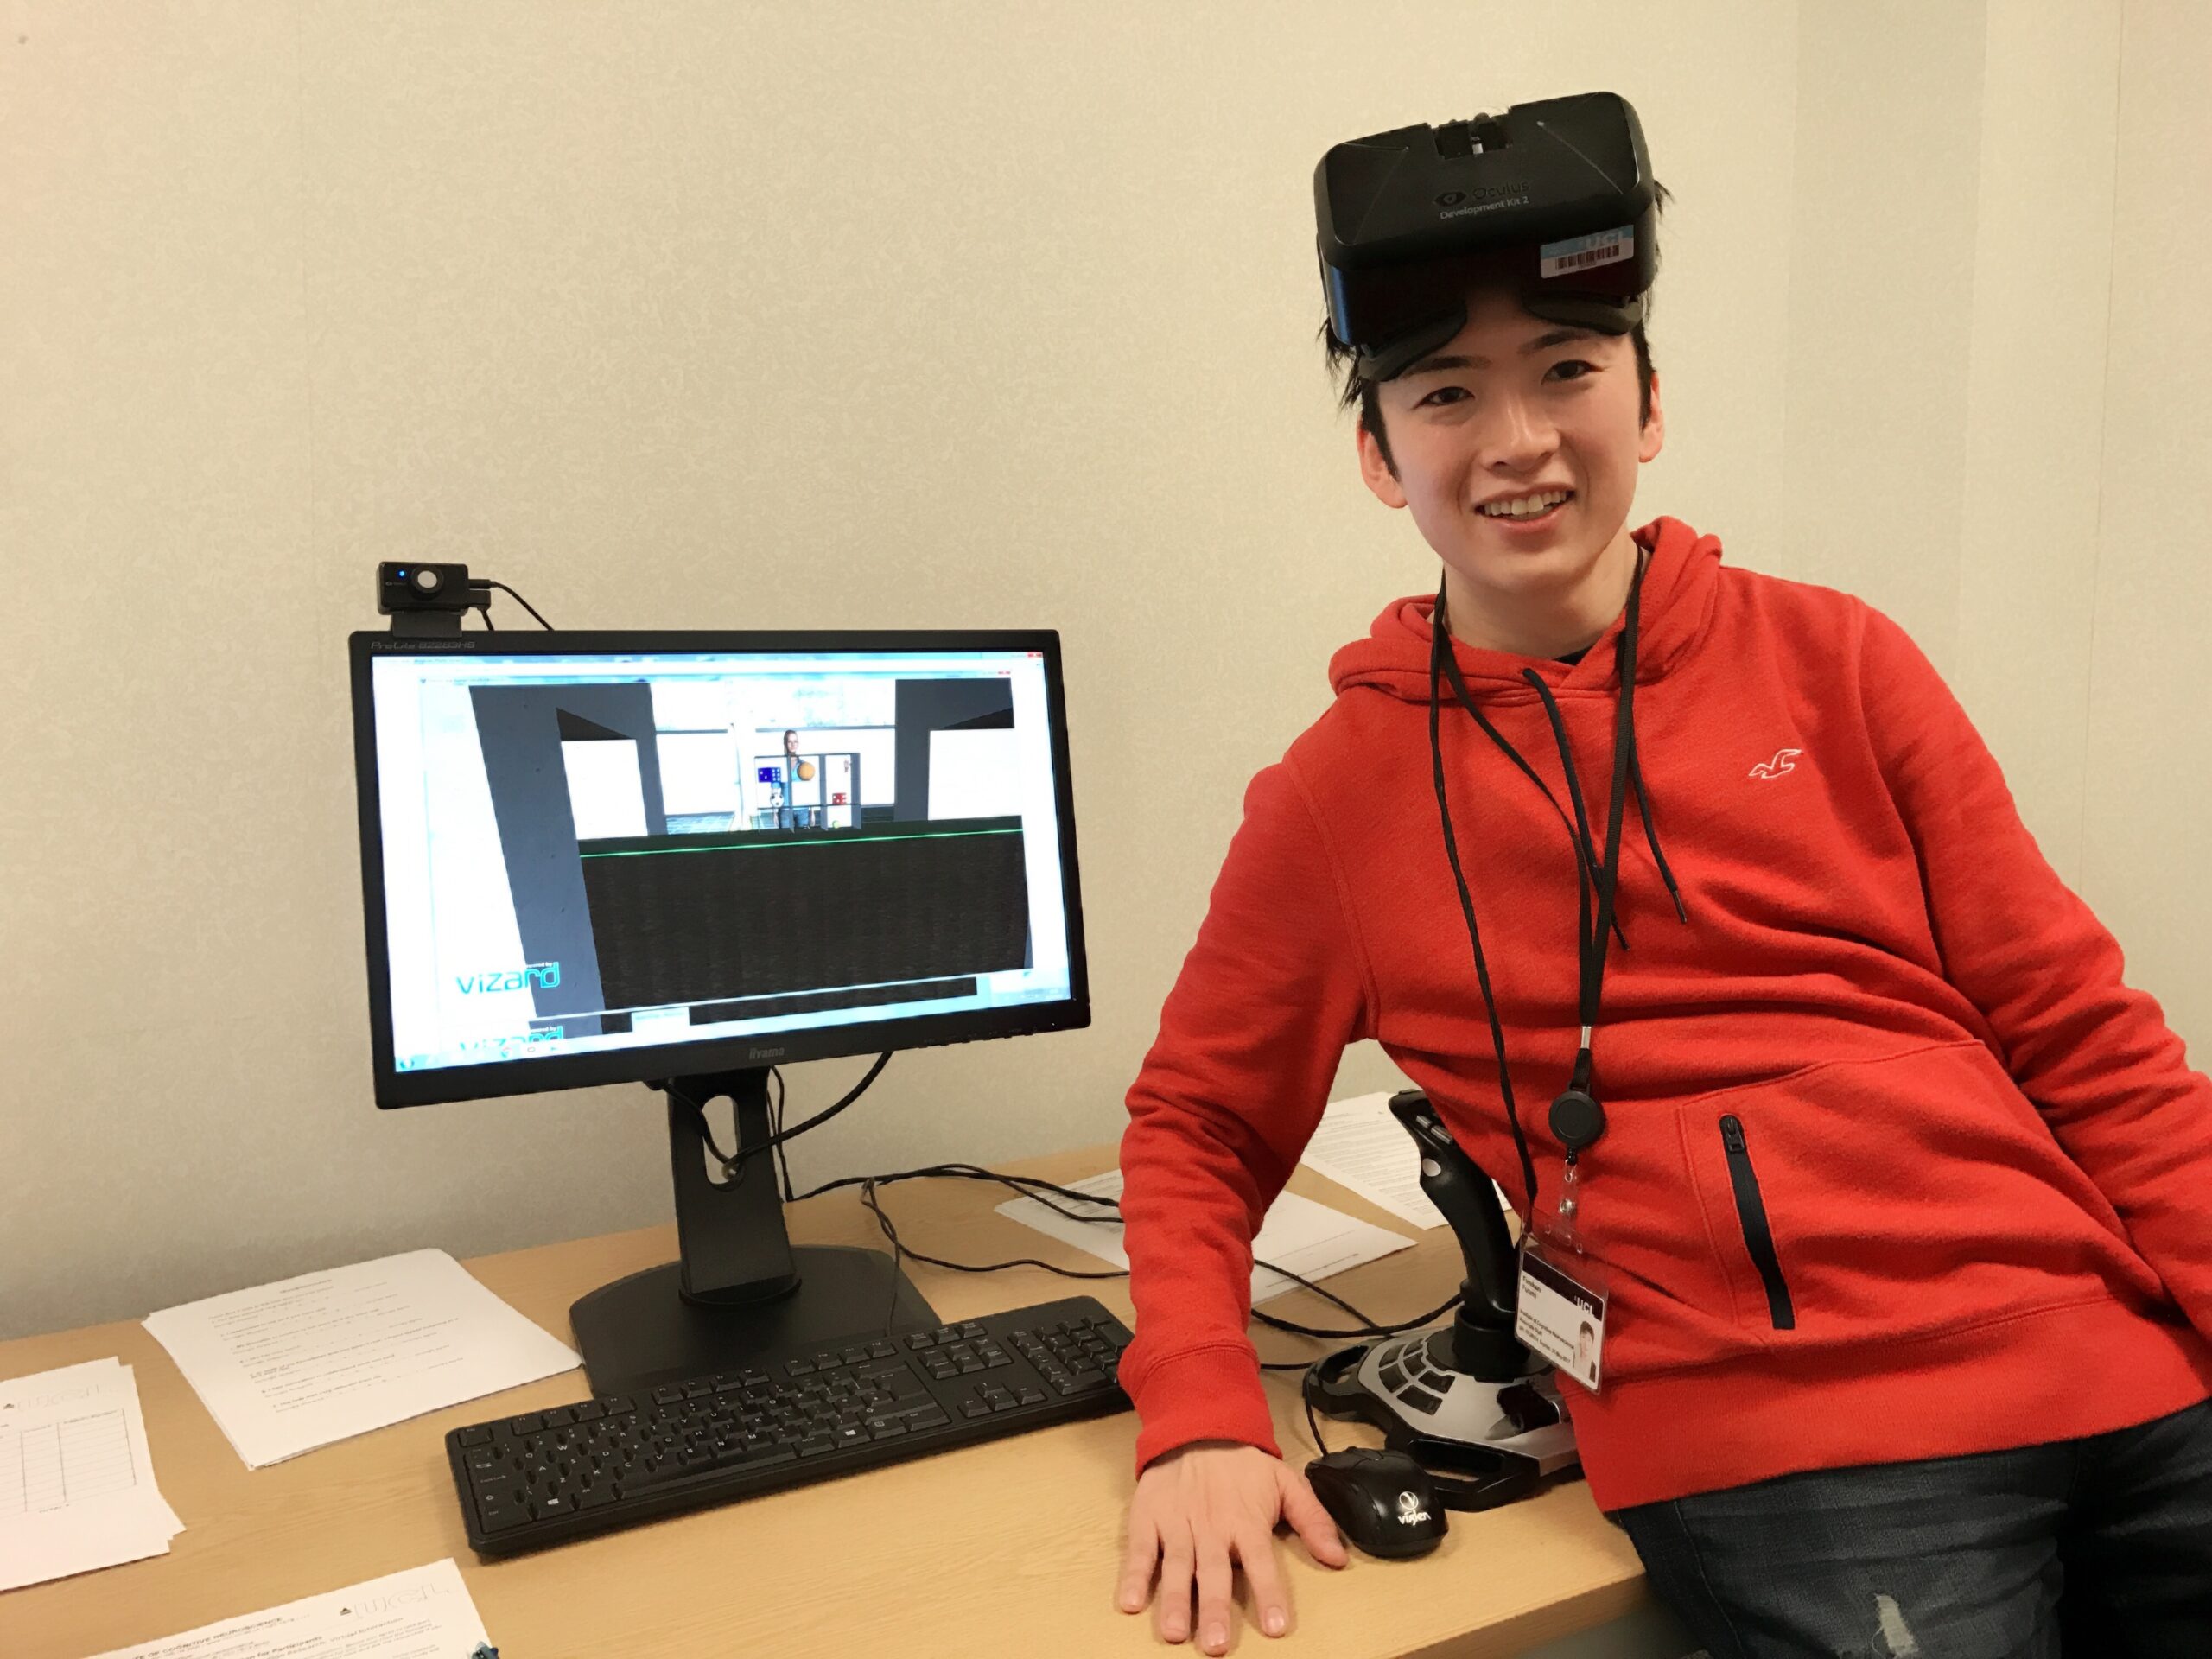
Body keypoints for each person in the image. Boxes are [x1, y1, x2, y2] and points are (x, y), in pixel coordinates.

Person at [1113, 108, 2212, 1658]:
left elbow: (2081, 1032)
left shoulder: (1839, 658)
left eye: (1567, 369)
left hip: (2121, 1352)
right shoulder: (1337, 799)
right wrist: (1201, 1411)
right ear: (1379, 456)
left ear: (1648, 403)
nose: (1519, 439)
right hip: (1793, 1440)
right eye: (1447, 393)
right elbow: (1198, 1127)